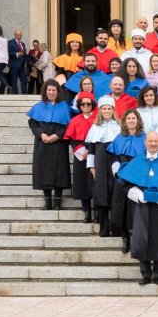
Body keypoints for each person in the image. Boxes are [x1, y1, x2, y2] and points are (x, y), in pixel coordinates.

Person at [119, 131, 158, 285]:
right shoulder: (137, 161)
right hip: (142, 207)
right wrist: (138, 194)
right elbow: (126, 184)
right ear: (145, 142)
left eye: (156, 141)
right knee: (142, 238)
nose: (153, 144)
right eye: (150, 141)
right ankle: (145, 274)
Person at [27, 80, 75, 210]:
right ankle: (47, 201)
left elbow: (68, 125)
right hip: (42, 143)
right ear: (45, 91)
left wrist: (57, 136)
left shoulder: (65, 107)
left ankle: (58, 201)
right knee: (42, 170)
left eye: (54, 90)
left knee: (59, 171)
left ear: (58, 91)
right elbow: (33, 123)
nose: (51, 92)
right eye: (49, 90)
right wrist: (41, 135)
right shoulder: (39, 106)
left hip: (58, 144)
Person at [107, 109, 146, 252]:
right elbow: (114, 158)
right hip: (122, 175)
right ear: (124, 121)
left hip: (138, 175)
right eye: (129, 118)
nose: (131, 121)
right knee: (121, 205)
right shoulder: (119, 138)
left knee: (136, 206)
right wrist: (117, 172)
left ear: (138, 121)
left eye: (134, 118)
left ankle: (137, 237)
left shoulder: (145, 137)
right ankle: (125, 238)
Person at [87, 97, 122, 233]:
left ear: (113, 110)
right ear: (100, 110)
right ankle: (103, 228)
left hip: (114, 161)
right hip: (100, 162)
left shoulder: (119, 126)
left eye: (109, 108)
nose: (106, 111)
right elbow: (91, 149)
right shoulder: (95, 127)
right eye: (104, 108)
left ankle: (115, 227)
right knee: (101, 192)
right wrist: (91, 167)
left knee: (115, 193)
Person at [62, 91, 98, 223]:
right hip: (81, 156)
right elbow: (71, 139)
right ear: (80, 105)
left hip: (96, 154)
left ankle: (97, 211)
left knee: (95, 183)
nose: (86, 106)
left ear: (92, 105)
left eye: (88, 104)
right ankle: (86, 211)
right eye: (83, 104)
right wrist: (81, 151)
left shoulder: (98, 120)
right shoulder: (75, 120)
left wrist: (92, 151)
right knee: (83, 183)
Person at [8, 28, 29, 94]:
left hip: (22, 66)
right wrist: (17, 54)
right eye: (17, 35)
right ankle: (15, 95)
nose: (19, 37)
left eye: (20, 35)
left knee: (24, 81)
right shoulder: (10, 42)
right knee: (14, 81)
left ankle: (24, 94)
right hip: (14, 65)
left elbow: (25, 53)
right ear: (14, 35)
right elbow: (8, 53)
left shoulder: (23, 44)